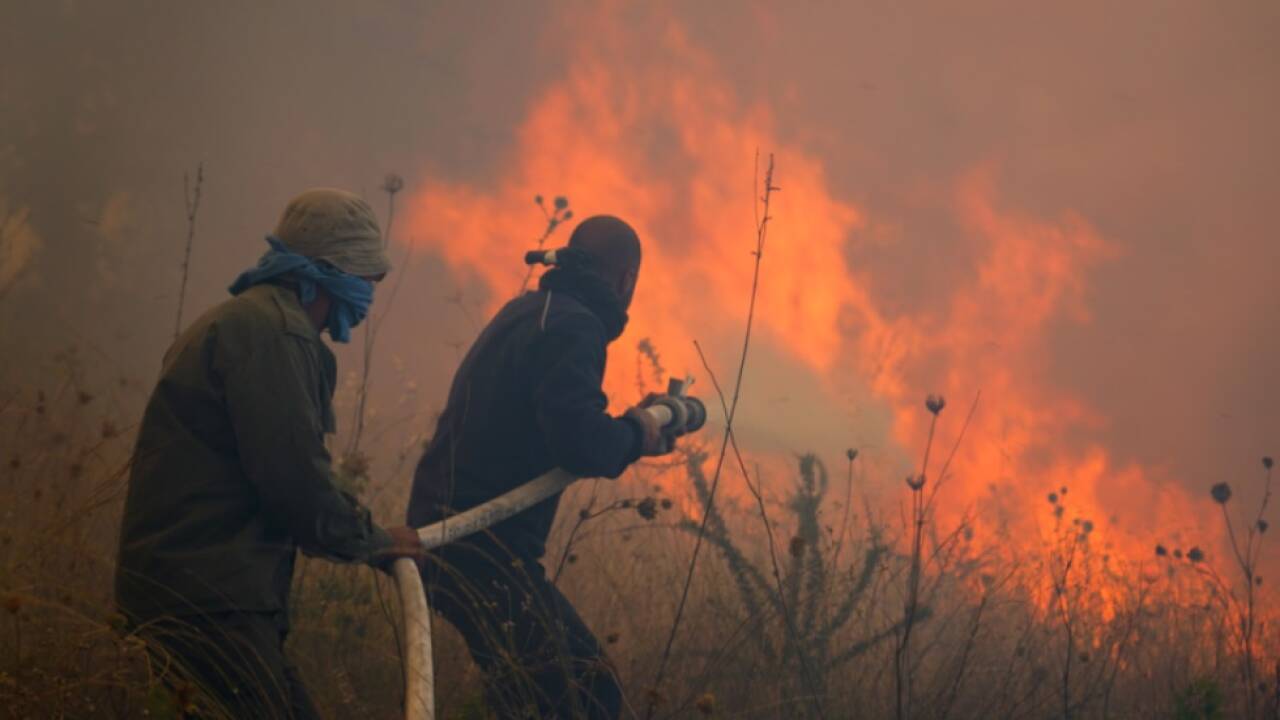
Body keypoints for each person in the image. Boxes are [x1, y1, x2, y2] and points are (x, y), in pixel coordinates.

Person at [115, 188, 425, 719]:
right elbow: (295, 482)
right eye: (366, 281)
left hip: (189, 594)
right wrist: (373, 542)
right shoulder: (275, 337)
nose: (368, 295)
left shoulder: (234, 321)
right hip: (212, 603)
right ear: (332, 273)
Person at [408, 215, 673, 719]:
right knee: (587, 691)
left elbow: (561, 421)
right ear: (626, 281)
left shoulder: (531, 311)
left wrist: (628, 431)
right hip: (478, 549)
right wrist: (637, 433)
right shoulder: (574, 326)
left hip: (452, 541)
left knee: (525, 697)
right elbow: (580, 443)